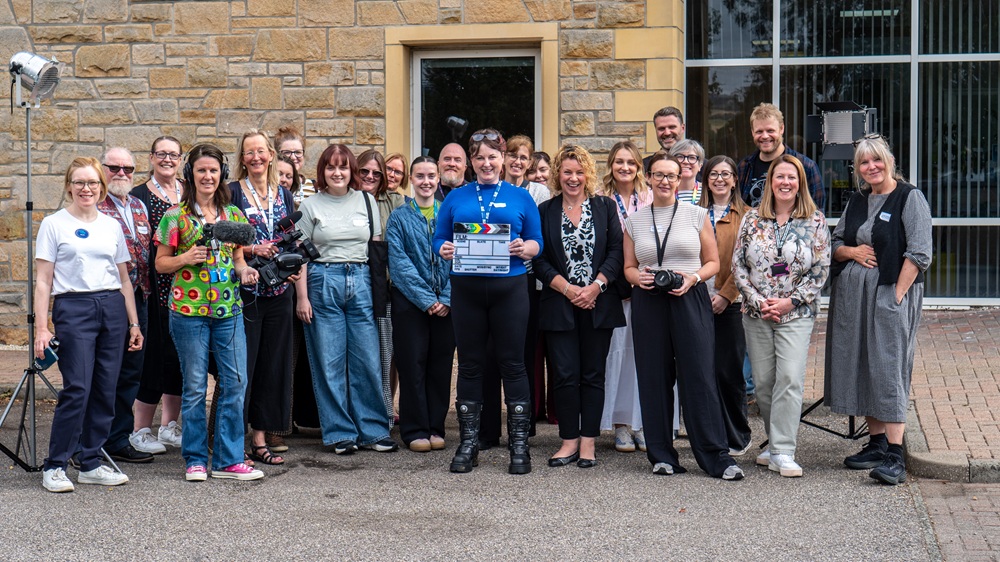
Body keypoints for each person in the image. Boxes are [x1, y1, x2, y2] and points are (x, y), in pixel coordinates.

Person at [623, 151, 743, 480]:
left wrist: (692, 278)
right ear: (647, 177)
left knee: (699, 377)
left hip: (688, 297)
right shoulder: (634, 220)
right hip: (648, 301)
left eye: (671, 176)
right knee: (653, 378)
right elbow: (628, 268)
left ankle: (716, 456)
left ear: (680, 180)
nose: (665, 181)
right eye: (658, 175)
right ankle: (662, 454)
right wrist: (639, 278)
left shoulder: (696, 214)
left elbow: (713, 263)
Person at [434, 128, 543, 475]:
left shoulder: (521, 196)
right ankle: (468, 443)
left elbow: (537, 240)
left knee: (513, 364)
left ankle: (520, 444)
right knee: (469, 365)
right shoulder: (455, 196)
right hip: (466, 290)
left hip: (509, 289)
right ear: (471, 161)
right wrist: (443, 249)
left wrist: (527, 248)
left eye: (492, 157)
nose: (486, 163)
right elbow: (439, 237)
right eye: (479, 157)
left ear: (504, 160)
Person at [825, 135, 932, 485]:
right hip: (854, 298)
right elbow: (837, 242)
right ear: (857, 169)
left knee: (889, 366)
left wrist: (897, 296)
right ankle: (875, 443)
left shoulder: (909, 197)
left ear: (889, 160)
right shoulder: (857, 200)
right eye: (864, 163)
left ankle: (895, 455)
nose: (871, 167)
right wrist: (853, 253)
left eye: (876, 160)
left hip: (889, 294)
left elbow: (919, 252)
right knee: (863, 363)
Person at [155, 143, 264, 481]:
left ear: (222, 176)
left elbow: (239, 259)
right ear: (190, 175)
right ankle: (195, 459)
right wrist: (185, 258)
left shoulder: (234, 216)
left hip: (228, 311)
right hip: (188, 312)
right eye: (201, 170)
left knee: (235, 382)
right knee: (195, 386)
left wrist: (246, 271)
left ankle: (230, 460)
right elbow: (160, 264)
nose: (207, 176)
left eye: (213, 171)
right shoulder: (176, 216)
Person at [35, 157, 143, 493]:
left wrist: (133, 323)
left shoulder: (111, 225)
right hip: (74, 307)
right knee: (78, 387)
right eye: (80, 182)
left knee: (105, 389)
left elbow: (124, 279)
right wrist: (42, 327)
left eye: (93, 183)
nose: (86, 189)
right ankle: (55, 465)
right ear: (69, 185)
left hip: (111, 307)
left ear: (102, 187)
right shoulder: (54, 224)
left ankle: (91, 462)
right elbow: (43, 281)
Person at [295, 144, 397, 454]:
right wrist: (302, 298)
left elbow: (376, 247)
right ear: (322, 172)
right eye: (330, 167)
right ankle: (340, 433)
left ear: (351, 170)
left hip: (362, 280)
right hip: (323, 281)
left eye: (343, 167)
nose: (337, 173)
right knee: (330, 361)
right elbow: (298, 255)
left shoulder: (366, 201)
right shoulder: (310, 206)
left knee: (368, 359)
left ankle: (373, 431)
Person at [733, 154, 830, 478]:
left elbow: (820, 271)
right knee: (763, 383)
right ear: (770, 182)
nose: (785, 182)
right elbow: (738, 266)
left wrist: (789, 302)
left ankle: (783, 450)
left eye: (792, 177)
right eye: (779, 177)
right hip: (756, 313)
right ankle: (774, 443)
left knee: (789, 377)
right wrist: (759, 301)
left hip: (797, 314)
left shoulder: (815, 220)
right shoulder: (751, 220)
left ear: (800, 182)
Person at [534, 145, 625, 469]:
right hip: (560, 304)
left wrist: (596, 286)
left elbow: (616, 251)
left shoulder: (605, 207)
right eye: (567, 171)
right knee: (564, 375)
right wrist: (569, 289)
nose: (573, 178)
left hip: (598, 303)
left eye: (579, 171)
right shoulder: (545, 210)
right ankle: (568, 439)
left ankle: (588, 443)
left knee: (592, 375)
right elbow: (540, 259)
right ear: (558, 174)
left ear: (588, 174)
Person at [229, 129, 297, 465]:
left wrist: (293, 264)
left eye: (261, 151)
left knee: (273, 366)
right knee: (243, 368)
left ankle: (260, 439)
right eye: (248, 152)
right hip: (245, 292)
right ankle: (232, 439)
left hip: (279, 290)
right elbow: (223, 238)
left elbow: (288, 238)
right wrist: (253, 248)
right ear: (242, 159)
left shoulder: (282, 193)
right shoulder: (232, 193)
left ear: (271, 154)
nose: (256, 157)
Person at [386, 156, 455, 452]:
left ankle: (436, 426)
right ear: (411, 180)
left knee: (440, 367)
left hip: (447, 305)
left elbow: (460, 258)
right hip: (411, 304)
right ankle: (415, 429)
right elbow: (399, 264)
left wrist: (447, 298)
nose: (426, 181)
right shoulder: (399, 217)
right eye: (419, 176)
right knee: (412, 364)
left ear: (438, 178)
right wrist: (426, 299)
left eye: (431, 176)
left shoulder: (449, 214)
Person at [96, 148, 155, 464]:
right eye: (114, 167)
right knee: (102, 373)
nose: (121, 173)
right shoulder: (94, 206)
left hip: (139, 301)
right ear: (102, 169)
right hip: (107, 301)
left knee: (130, 374)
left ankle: (118, 438)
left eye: (128, 168)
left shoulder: (139, 205)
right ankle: (90, 442)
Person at [129, 136, 185, 455]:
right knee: (152, 359)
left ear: (180, 159)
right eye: (161, 154)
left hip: (188, 290)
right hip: (153, 290)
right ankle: (140, 429)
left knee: (177, 358)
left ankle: (169, 426)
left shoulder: (189, 193)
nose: (167, 159)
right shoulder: (139, 196)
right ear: (151, 158)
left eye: (173, 154)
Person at [599, 141, 652, 453]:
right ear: (611, 165)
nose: (624, 168)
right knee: (617, 355)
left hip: (645, 285)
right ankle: (620, 424)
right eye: (619, 162)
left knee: (642, 356)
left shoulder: (648, 198)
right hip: (614, 288)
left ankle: (642, 422)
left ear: (638, 167)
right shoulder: (602, 199)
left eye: (630, 163)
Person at [698, 155, 752, 455]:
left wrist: (726, 294)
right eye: (713, 174)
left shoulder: (748, 216)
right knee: (703, 372)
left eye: (726, 174)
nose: (719, 179)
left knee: (729, 372)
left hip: (730, 303)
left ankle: (737, 436)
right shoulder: (693, 214)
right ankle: (710, 435)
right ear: (706, 180)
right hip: (696, 300)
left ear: (734, 180)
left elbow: (746, 261)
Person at [357, 149, 406, 423]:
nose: (370, 177)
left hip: (384, 285)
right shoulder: (347, 198)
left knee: (385, 351)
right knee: (361, 352)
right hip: (353, 282)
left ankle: (385, 411)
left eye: (377, 173)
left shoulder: (396, 201)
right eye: (364, 171)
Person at [736, 103, 825, 209]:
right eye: (759, 131)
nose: (765, 136)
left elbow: (817, 213)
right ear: (752, 132)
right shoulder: (744, 167)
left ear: (781, 128)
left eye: (770, 131)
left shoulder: (806, 166)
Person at [275, 125, 314, 205]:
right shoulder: (270, 185)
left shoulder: (314, 187)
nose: (293, 157)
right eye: (287, 152)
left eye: (298, 152)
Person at [642, 106, 685, 172]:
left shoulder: (701, 167)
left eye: (672, 127)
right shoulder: (643, 167)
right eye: (661, 129)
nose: (667, 133)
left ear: (682, 128)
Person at [669, 139, 704, 205]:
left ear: (700, 166)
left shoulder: (708, 191)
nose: (686, 161)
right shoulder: (664, 190)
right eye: (680, 157)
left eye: (692, 157)